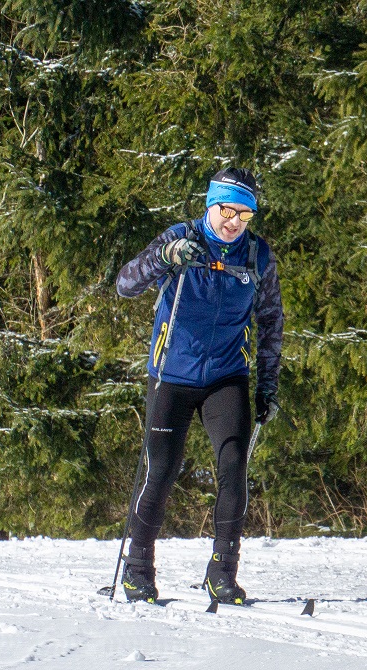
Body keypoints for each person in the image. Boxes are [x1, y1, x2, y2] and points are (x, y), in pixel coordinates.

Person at [114, 167, 283, 604]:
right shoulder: (182, 237)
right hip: (172, 374)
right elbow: (125, 284)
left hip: (226, 376)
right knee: (162, 471)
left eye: (244, 215)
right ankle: (137, 569)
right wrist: (166, 256)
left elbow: (270, 321)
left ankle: (222, 572)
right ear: (211, 205)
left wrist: (267, 384)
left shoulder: (256, 256)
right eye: (227, 210)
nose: (234, 222)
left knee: (233, 467)